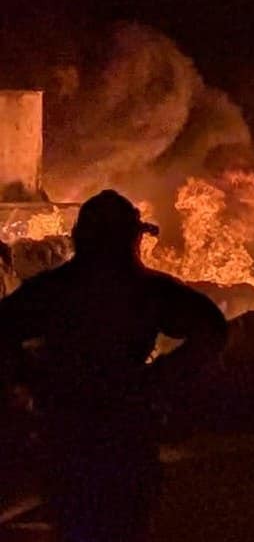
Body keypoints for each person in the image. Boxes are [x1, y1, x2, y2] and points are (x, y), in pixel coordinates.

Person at [0, 190, 227, 542]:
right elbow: (211, 328)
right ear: (129, 239)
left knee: (76, 525)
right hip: (124, 433)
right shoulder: (147, 291)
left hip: (67, 433)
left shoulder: (51, 290)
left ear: (79, 238)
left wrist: (33, 378)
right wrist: (161, 378)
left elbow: (3, 331)